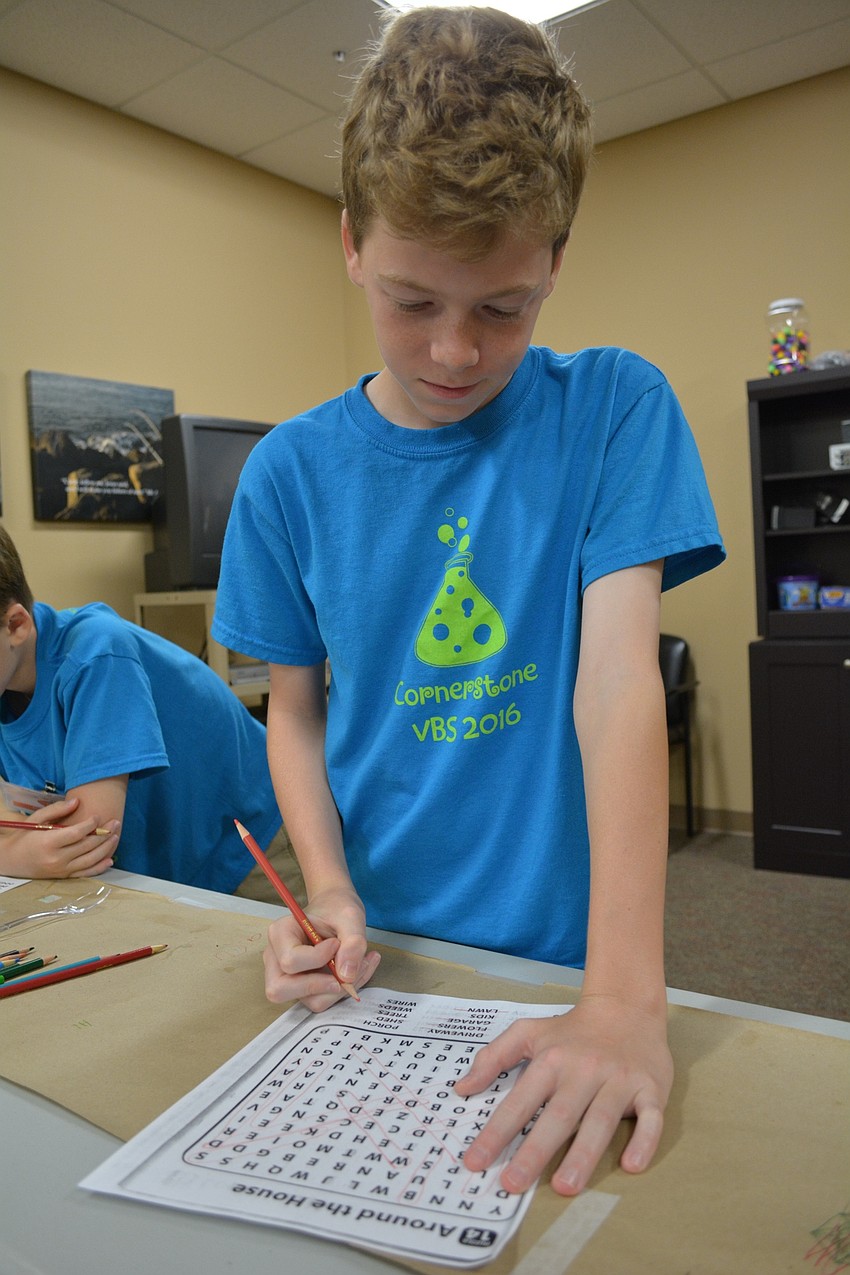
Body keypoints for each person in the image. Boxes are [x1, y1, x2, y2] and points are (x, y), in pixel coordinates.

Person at [212, 4, 725, 1198]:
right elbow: (296, 712)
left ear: (554, 264)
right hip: (383, 957)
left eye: (502, 308)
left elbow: (616, 684)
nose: (453, 352)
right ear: (351, 245)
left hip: (565, 957)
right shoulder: (288, 474)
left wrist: (623, 998)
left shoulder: (615, 408)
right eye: (412, 301)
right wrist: (326, 893)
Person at [0, 525, 303, 904]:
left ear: (16, 625)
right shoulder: (7, 671)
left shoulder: (94, 653)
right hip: (164, 870)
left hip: (250, 848)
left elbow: (88, 840)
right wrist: (18, 846)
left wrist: (10, 852)